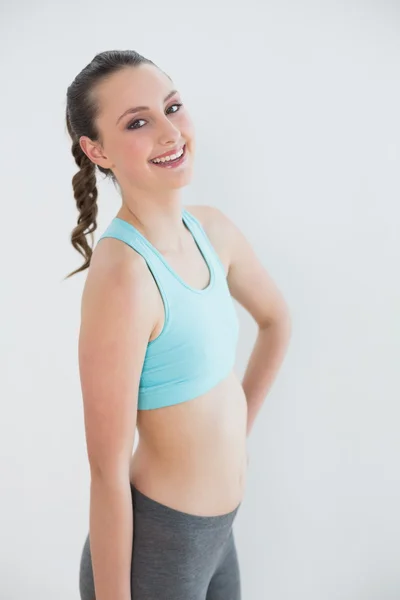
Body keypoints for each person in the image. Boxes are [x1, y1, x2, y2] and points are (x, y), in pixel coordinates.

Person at [65, 49, 292, 600]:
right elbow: (107, 474)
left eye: (172, 107)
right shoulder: (123, 277)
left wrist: (239, 433)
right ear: (96, 150)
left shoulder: (213, 231)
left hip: (220, 535)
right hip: (157, 547)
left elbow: (276, 320)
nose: (170, 132)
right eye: (138, 122)